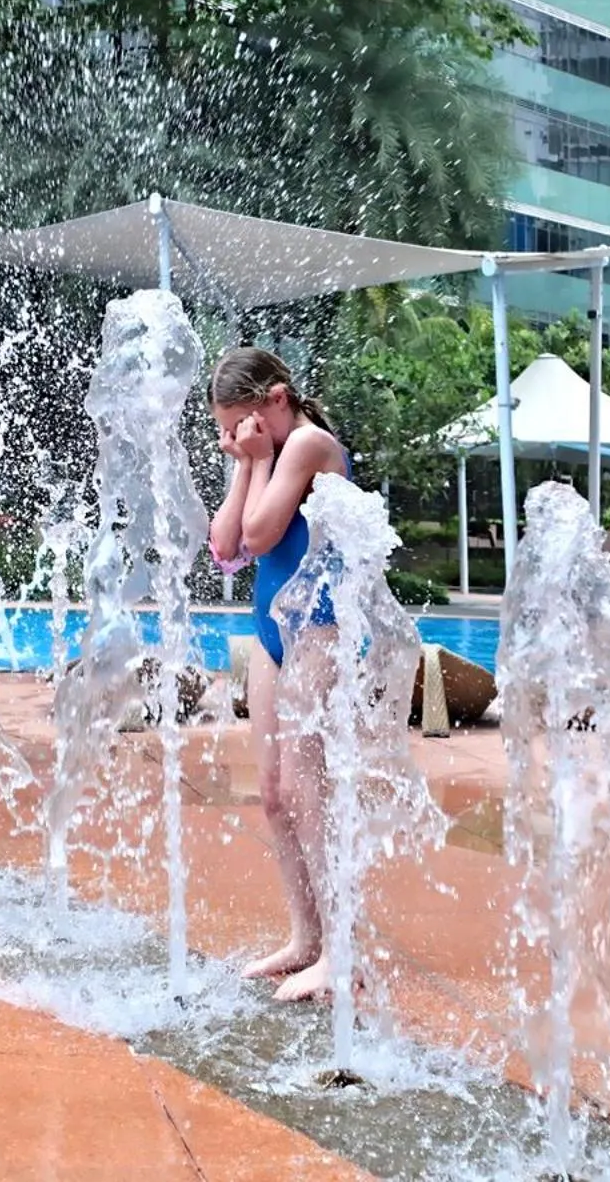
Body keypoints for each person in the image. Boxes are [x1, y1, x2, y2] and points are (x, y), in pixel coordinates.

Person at [206, 346, 351, 1001]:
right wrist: (245, 466)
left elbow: (262, 536)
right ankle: (307, 937)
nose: (232, 439)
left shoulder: (308, 445)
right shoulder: (264, 454)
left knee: (305, 785)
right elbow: (224, 545)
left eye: (240, 424)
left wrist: (259, 460)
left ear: (277, 399)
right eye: (226, 430)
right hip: (274, 633)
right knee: (271, 791)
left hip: (320, 630)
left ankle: (345, 951)